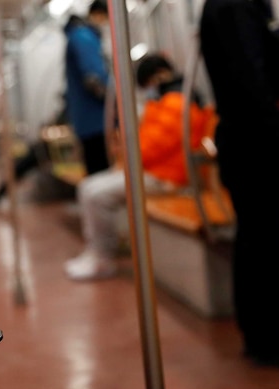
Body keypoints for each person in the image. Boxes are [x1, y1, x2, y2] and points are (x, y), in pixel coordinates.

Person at [199, 0, 279, 368]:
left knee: (259, 243)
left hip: (250, 138)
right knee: (264, 245)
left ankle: (266, 335)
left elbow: (261, 53)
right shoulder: (235, 4)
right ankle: (270, 341)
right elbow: (250, 77)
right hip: (256, 142)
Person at [64, 53, 214, 281]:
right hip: (156, 171)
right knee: (88, 186)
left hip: (168, 178)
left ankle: (103, 255)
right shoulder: (166, 103)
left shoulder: (177, 104)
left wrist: (126, 154)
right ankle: (97, 250)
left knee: (96, 194)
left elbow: (147, 148)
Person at [64, 1, 111, 177]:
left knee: (96, 173)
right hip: (96, 120)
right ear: (98, 14)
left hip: (87, 119)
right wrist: (116, 103)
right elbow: (94, 78)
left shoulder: (78, 36)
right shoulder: (84, 37)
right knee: (100, 175)